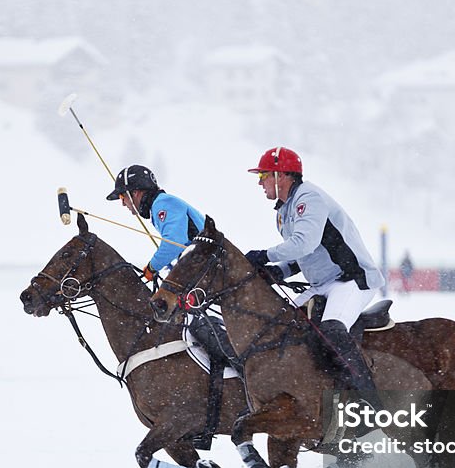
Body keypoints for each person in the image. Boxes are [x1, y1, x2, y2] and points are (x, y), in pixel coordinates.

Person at [243, 146, 386, 396]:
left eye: (263, 176)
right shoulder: (283, 211)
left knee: (331, 331)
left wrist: (264, 256)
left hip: (353, 280)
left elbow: (303, 243)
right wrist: (279, 273)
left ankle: (370, 401)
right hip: (322, 284)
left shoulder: (309, 198)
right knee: (282, 325)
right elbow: (307, 254)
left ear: (281, 176)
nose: (260, 183)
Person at [107, 165, 237, 367]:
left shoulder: (163, 203)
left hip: (214, 275)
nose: (123, 204)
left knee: (198, 325)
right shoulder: (158, 207)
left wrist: (152, 268)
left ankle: (239, 367)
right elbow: (182, 251)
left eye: (123, 197)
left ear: (136, 193)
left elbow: (173, 242)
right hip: (202, 277)